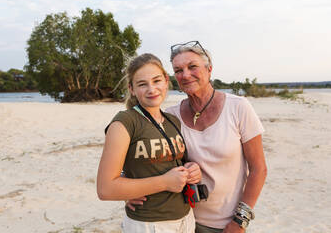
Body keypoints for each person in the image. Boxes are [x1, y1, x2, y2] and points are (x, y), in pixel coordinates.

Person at [128, 42, 267, 233]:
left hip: (228, 224)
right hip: (182, 221)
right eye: (178, 70)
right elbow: (140, 158)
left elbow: (259, 169)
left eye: (192, 66)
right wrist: (128, 190)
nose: (185, 74)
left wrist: (240, 221)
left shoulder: (238, 107)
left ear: (209, 69)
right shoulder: (170, 116)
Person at [96, 53, 202, 233]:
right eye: (142, 84)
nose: (152, 89)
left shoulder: (172, 121)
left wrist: (192, 170)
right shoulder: (125, 122)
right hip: (149, 224)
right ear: (131, 89)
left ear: (166, 81)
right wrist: (164, 182)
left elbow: (169, 164)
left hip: (186, 219)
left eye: (156, 81)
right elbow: (105, 189)